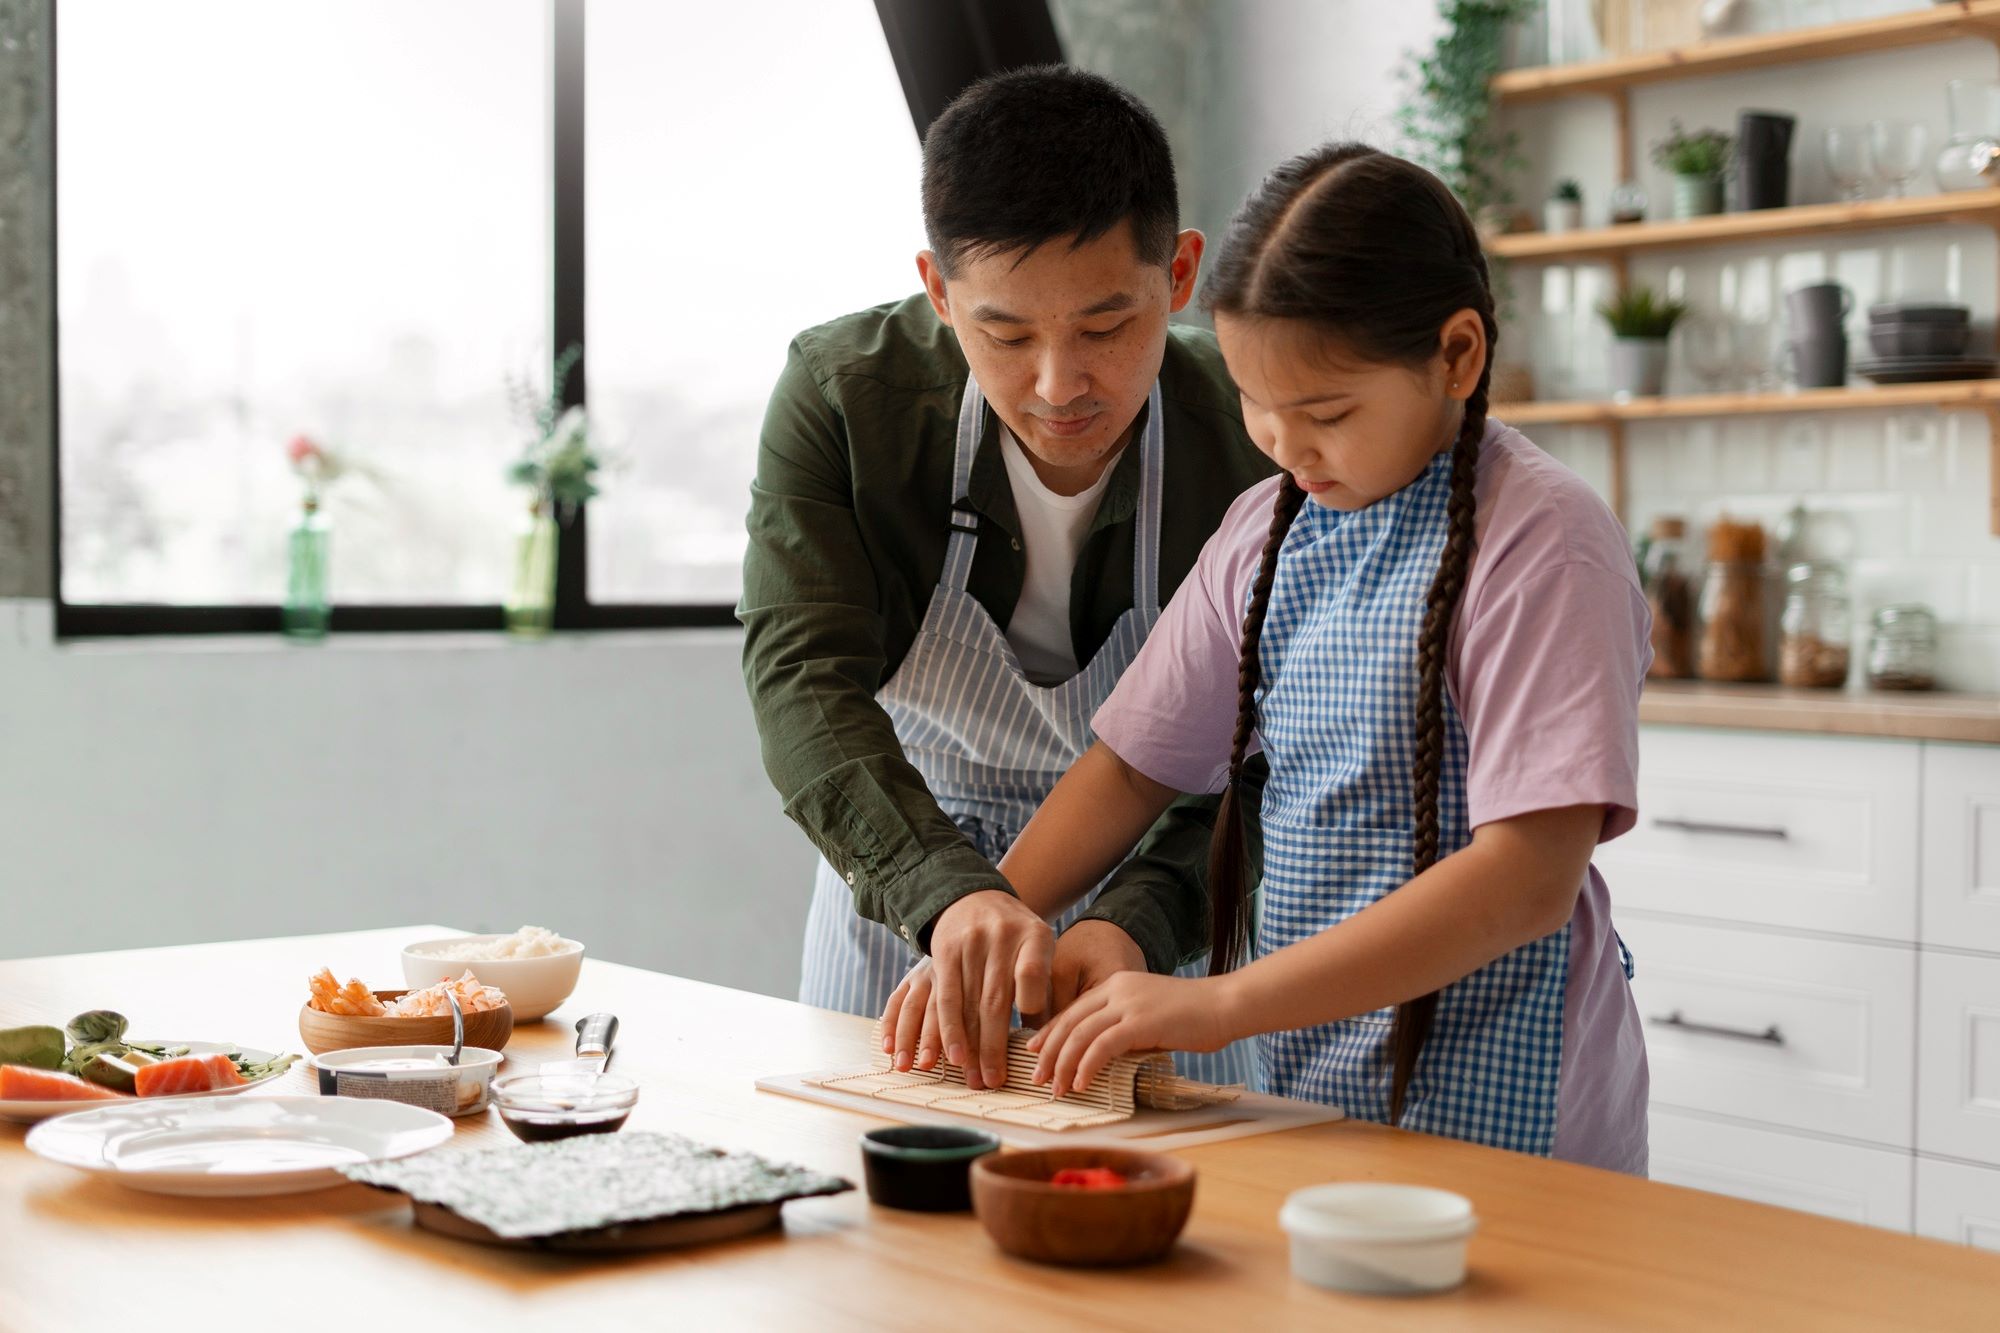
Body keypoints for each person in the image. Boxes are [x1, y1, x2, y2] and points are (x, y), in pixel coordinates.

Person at [894, 143, 1652, 1174]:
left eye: (1326, 413)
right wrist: (985, 925)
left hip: (1510, 1106)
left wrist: (1215, 1002)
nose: (1284, 445)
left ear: (1457, 357)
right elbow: (1129, 767)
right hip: (1302, 1082)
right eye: (1257, 403)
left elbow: (1526, 877)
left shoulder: (1540, 542)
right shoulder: (1265, 529)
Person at [739, 65, 1272, 1093]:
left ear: (1178, 275)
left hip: (1164, 902)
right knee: (876, 1213)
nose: (1058, 384)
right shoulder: (843, 400)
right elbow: (801, 684)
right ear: (938, 292)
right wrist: (949, 896)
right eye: (1005, 332)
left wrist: (1141, 917)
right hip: (912, 875)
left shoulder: (1256, 434)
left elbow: (1274, 744)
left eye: (1106, 328)